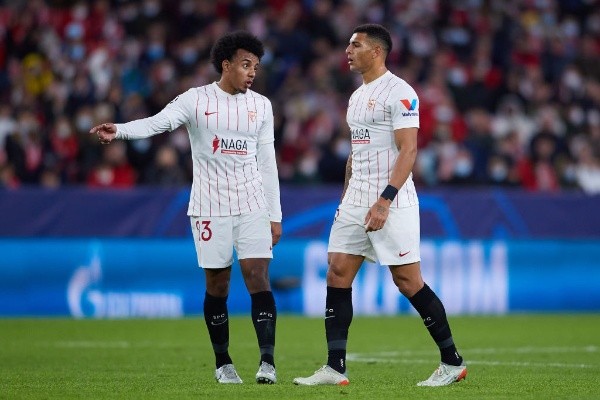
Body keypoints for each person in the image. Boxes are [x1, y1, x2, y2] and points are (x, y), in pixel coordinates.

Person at [90, 31, 282, 385]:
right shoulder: (195, 100)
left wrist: (275, 213)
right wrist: (119, 130)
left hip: (253, 204)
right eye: (245, 64)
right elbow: (157, 123)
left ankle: (267, 362)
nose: (252, 72)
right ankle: (223, 363)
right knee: (218, 285)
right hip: (210, 206)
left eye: (255, 66)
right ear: (226, 65)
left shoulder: (262, 106)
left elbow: (267, 162)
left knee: (258, 277)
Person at [293, 24, 467, 387]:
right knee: (337, 271)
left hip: (393, 198)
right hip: (355, 198)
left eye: (355, 45)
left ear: (376, 52)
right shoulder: (357, 96)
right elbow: (356, 154)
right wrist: (345, 198)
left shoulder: (401, 92)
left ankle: (452, 362)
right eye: (347, 44)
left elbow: (409, 150)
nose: (347, 50)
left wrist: (385, 201)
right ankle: (335, 367)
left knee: (407, 280)